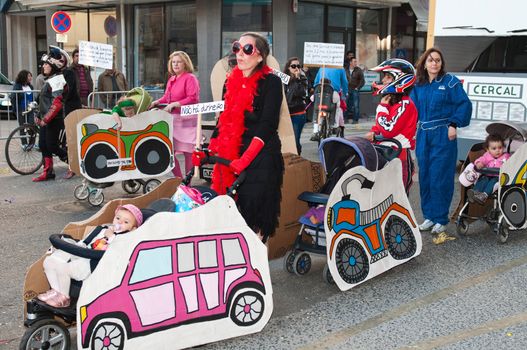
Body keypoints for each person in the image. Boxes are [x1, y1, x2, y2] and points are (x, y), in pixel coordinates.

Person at [193, 32, 284, 243]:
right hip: (232, 156)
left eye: (247, 49)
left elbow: (268, 125)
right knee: (230, 213)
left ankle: (255, 266)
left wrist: (247, 158)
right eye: (236, 48)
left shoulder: (271, 82)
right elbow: (224, 121)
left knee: (255, 216)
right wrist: (208, 151)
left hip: (261, 157)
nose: (240, 54)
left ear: (260, 56)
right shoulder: (230, 81)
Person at [410, 47, 472, 241]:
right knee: (426, 177)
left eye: (437, 60)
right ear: (424, 63)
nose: (434, 63)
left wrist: (454, 124)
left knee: (440, 177)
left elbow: (464, 104)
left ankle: (440, 218)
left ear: (441, 63)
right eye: (430, 60)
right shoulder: (418, 84)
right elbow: (411, 110)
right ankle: (429, 216)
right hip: (424, 135)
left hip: (443, 135)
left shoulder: (450, 82)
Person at [37, 204, 143, 307]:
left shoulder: (126, 239)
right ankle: (56, 291)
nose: (119, 222)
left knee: (63, 269)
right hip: (83, 253)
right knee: (49, 261)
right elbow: (85, 242)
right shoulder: (102, 229)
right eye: (118, 218)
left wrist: (111, 237)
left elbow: (120, 253)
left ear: (133, 228)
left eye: (126, 222)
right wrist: (74, 247)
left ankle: (64, 298)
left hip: (94, 263)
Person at [365, 58, 418, 194]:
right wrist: (373, 132)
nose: (383, 81)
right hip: (384, 153)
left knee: (397, 198)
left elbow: (388, 130)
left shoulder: (405, 104)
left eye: (388, 77)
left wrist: (382, 107)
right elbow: (380, 126)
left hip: (399, 156)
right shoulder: (392, 102)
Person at [33, 46, 82, 182]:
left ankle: (74, 164)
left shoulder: (58, 80)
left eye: (46, 64)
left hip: (55, 118)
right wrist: (38, 114)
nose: (43, 66)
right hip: (46, 118)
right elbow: (42, 99)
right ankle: (48, 172)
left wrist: (46, 119)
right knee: (43, 144)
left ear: (53, 66)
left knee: (53, 145)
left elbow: (57, 103)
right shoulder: (50, 79)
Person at [150, 51, 200, 178]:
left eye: (179, 62)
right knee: (169, 152)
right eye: (173, 62)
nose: (175, 64)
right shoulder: (172, 79)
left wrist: (175, 104)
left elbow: (192, 98)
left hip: (187, 120)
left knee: (188, 152)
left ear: (185, 64)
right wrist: (157, 102)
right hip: (173, 121)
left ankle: (187, 183)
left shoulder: (190, 78)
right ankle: (179, 180)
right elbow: (167, 97)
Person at [467, 134, 510, 204]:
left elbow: (510, 163)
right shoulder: (487, 155)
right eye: (494, 148)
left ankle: (484, 195)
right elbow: (482, 159)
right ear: (488, 149)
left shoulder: (506, 156)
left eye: (500, 148)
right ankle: (475, 193)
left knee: (492, 182)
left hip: (498, 177)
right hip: (487, 175)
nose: (498, 151)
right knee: (482, 179)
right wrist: (479, 163)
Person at [283, 57, 308, 154]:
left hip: (298, 114)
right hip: (286, 114)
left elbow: (300, 93)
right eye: (293, 66)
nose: (296, 68)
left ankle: (297, 159)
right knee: (286, 140)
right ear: (288, 67)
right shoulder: (284, 79)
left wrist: (297, 79)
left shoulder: (303, 79)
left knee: (295, 140)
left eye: (298, 66)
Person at [11, 70, 34, 146]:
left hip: (30, 109)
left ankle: (31, 143)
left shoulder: (30, 86)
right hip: (21, 109)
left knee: (31, 126)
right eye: (29, 76)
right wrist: (15, 109)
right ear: (24, 77)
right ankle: (24, 143)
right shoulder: (17, 86)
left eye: (31, 76)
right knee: (22, 127)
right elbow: (13, 98)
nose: (30, 78)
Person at [345, 54, 365, 124]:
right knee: (346, 104)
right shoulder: (345, 69)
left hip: (354, 89)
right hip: (347, 89)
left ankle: (355, 120)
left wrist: (357, 88)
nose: (356, 63)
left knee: (356, 105)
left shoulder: (358, 70)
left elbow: (362, 81)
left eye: (356, 62)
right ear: (350, 62)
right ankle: (345, 119)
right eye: (354, 62)